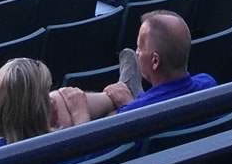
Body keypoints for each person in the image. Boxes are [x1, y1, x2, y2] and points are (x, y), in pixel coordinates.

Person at [54, 11, 217, 121]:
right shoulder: (209, 84)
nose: (137, 52)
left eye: (139, 47)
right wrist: (130, 104)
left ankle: (128, 88)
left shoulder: (135, 116)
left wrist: (80, 111)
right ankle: (132, 89)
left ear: (155, 61)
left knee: (109, 113)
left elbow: (89, 158)